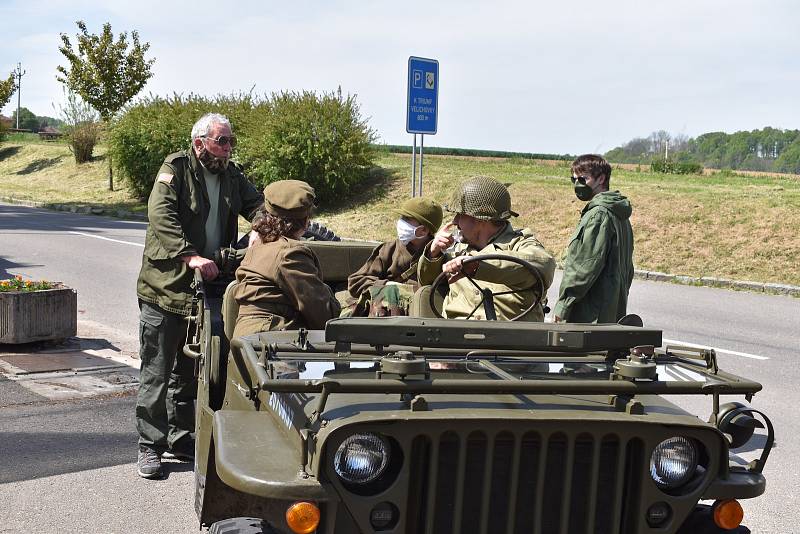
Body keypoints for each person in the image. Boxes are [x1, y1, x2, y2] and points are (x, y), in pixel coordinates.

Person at [135, 113, 263, 479]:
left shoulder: (231, 174)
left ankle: (179, 436)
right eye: (221, 141)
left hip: (203, 293)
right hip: (165, 287)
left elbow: (256, 204)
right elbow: (160, 216)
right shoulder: (174, 170)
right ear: (199, 143)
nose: (227, 148)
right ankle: (149, 444)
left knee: (190, 373)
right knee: (157, 373)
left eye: (230, 141)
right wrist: (189, 255)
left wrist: (260, 227)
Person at [418, 176, 556, 321]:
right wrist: (433, 254)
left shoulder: (520, 244)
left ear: (480, 219)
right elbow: (428, 284)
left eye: (460, 215)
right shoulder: (456, 248)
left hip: (510, 336)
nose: (455, 221)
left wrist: (478, 266)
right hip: (457, 334)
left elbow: (543, 265)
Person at [232, 180, 340, 339]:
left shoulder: (258, 247)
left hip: (249, 344)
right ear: (305, 221)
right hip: (271, 346)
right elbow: (323, 316)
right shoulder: (290, 253)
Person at [553, 154, 634, 323]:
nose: (577, 185)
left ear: (601, 179)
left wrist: (563, 306)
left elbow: (584, 267)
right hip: (610, 311)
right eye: (574, 179)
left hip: (591, 315)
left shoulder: (599, 214)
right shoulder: (617, 212)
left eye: (583, 179)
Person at [344, 197, 443, 316]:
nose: (400, 222)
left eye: (406, 219)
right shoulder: (388, 249)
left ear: (423, 231)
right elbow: (356, 282)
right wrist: (387, 286)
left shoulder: (439, 256)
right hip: (385, 315)